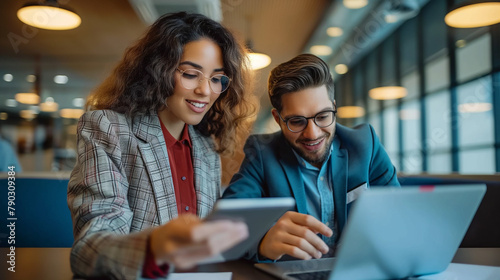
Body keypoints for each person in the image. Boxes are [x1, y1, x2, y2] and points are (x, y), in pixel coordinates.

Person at [67, 12, 256, 279]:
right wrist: (154, 247)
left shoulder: (205, 149)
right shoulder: (108, 128)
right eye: (191, 74)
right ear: (159, 71)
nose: (206, 90)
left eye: (217, 79)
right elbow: (89, 250)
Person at [222, 54, 400, 262]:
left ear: (334, 107)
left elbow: (397, 215)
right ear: (277, 119)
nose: (312, 134)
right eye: (297, 121)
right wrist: (261, 245)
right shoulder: (262, 154)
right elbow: (228, 225)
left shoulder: (365, 145)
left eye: (323, 116)